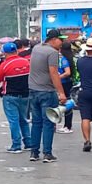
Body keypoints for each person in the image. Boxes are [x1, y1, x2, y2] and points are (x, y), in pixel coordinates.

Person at [28, 29, 67, 163]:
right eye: (60, 40)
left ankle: (34, 152)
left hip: (33, 90)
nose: (62, 43)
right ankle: (47, 153)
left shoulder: (36, 48)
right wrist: (61, 93)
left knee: (36, 123)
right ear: (54, 39)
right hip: (47, 92)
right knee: (48, 123)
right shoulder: (52, 52)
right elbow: (54, 73)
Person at [0, 42, 32, 153]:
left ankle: (16, 145)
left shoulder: (5, 65)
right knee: (24, 119)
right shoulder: (26, 62)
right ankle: (28, 143)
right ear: (16, 51)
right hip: (25, 95)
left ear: (5, 53)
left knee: (13, 121)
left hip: (10, 96)